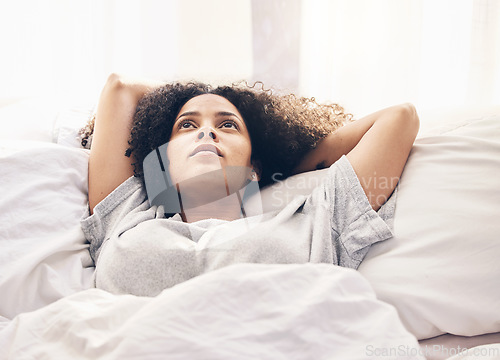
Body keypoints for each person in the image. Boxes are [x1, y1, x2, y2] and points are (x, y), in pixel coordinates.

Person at [80, 73, 419, 296]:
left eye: (228, 126)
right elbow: (119, 89)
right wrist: (197, 100)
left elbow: (399, 118)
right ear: (164, 162)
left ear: (255, 166)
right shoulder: (128, 218)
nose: (206, 132)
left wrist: (285, 160)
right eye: (186, 126)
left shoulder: (311, 224)